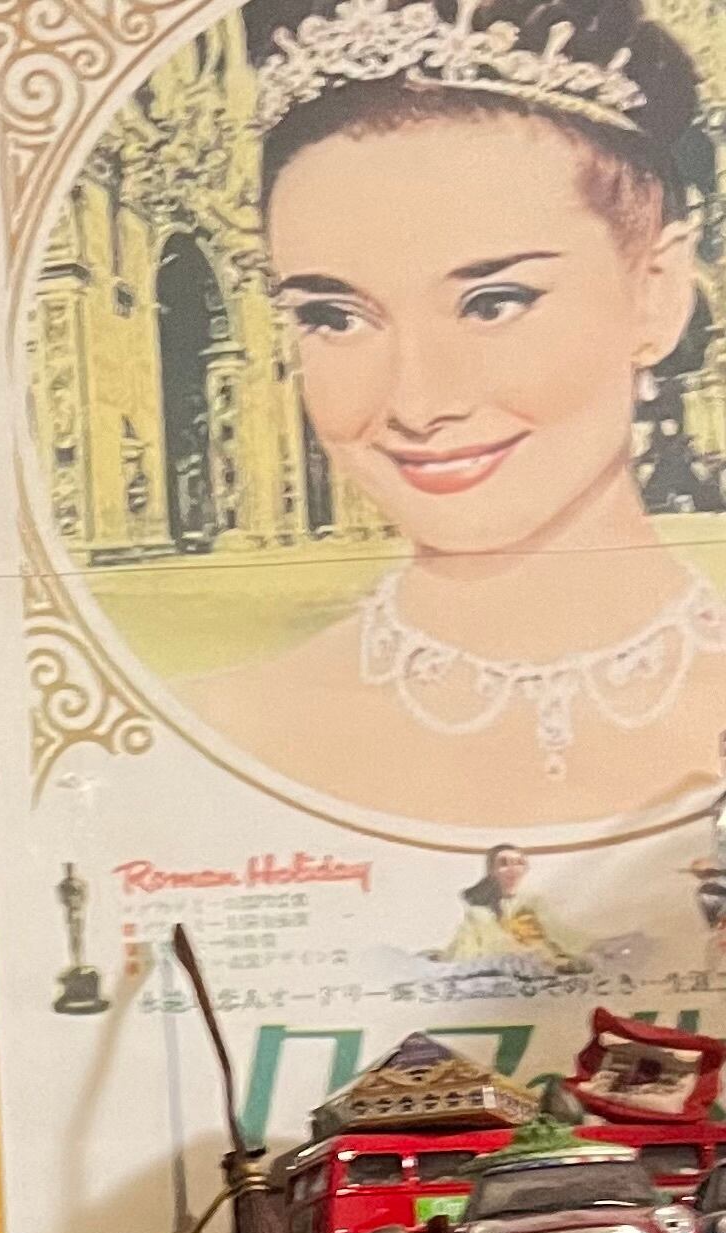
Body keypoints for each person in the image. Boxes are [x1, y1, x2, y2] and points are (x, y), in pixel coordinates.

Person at [186, 0, 726, 827]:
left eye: (494, 301)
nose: (417, 404)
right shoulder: (222, 731)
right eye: (334, 316)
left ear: (656, 292)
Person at [438, 838, 589, 963]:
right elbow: (471, 953)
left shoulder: (534, 902)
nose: (513, 869)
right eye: (504, 863)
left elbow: (559, 933)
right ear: (492, 871)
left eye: (518, 863)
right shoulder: (479, 914)